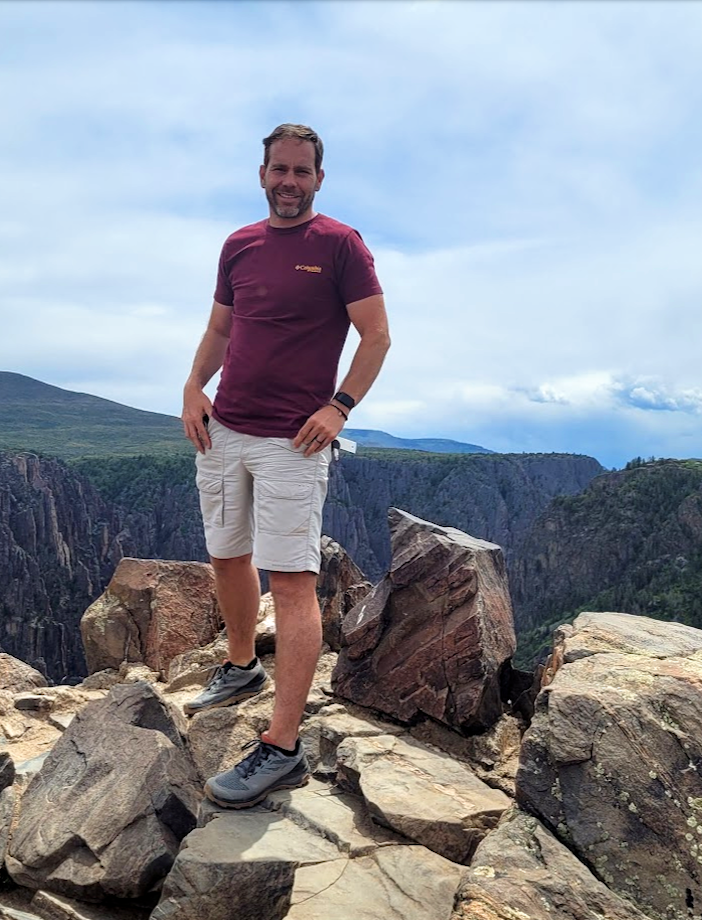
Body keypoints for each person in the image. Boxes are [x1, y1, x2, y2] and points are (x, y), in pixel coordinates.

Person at [181, 123, 391, 808]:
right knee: (227, 556)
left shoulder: (340, 246)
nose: (289, 182)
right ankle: (242, 666)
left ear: (318, 180)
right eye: (279, 170)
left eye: (302, 171)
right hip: (226, 430)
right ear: (262, 173)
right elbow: (221, 328)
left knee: (294, 583)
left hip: (292, 444)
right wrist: (192, 387)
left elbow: (377, 336)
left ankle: (282, 747)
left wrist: (340, 407)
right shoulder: (238, 246)